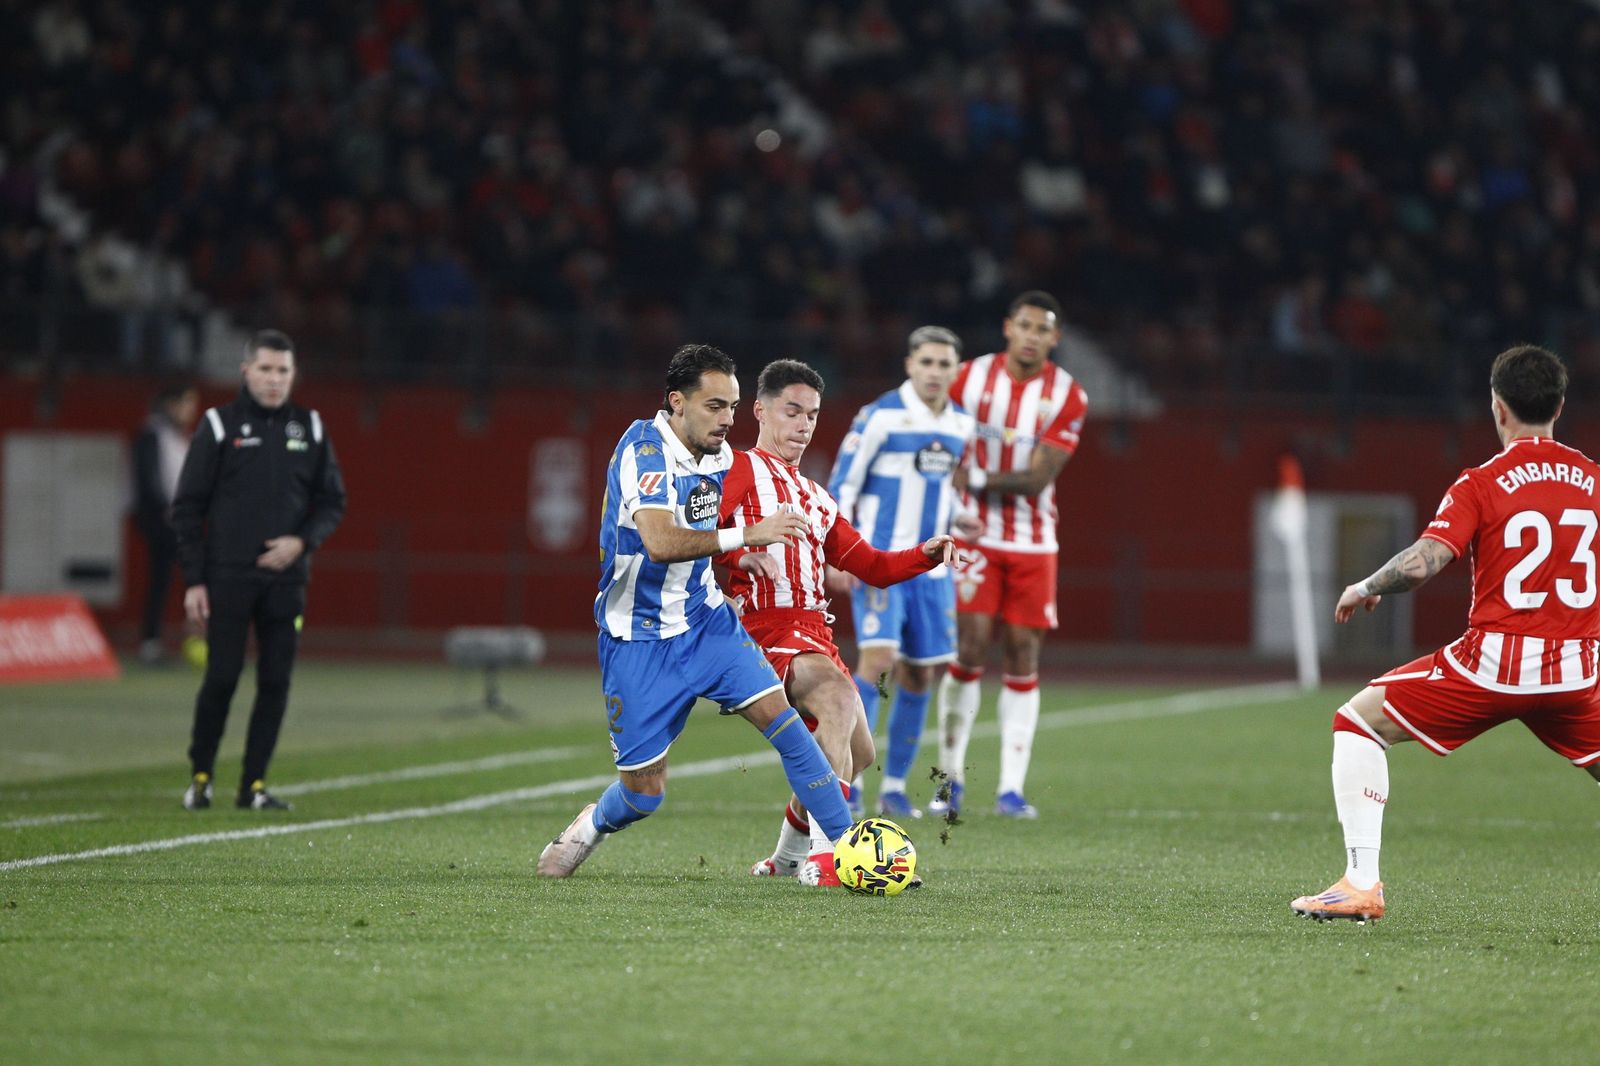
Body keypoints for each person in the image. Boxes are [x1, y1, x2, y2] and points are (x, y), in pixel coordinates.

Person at [1292, 344, 1600, 922]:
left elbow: (1427, 559)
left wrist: (1366, 586)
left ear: (1498, 408)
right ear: (1558, 406)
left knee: (1357, 721)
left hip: (1493, 667)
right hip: (1577, 673)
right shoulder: (1594, 481)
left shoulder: (1482, 482)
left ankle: (1361, 882)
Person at [536, 345, 858, 880]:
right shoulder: (644, 452)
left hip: (707, 623)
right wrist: (746, 535)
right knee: (644, 795)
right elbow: (661, 541)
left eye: (732, 406)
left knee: (793, 732)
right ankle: (591, 824)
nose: (727, 419)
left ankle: (843, 855)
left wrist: (740, 558)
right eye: (714, 406)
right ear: (676, 403)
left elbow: (710, 538)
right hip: (636, 640)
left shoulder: (723, 457)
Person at [716, 359, 960, 884]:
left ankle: (784, 858)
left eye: (813, 415)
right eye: (792, 411)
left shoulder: (817, 497)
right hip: (767, 628)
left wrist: (926, 553)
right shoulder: (736, 469)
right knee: (838, 698)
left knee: (859, 752)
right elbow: (699, 537)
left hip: (814, 633)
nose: (803, 425)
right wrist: (737, 557)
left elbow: (871, 565)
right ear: (759, 411)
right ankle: (829, 858)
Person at [171, 330, 347, 811]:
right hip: (227, 575)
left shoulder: (309, 426)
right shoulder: (219, 424)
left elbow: (333, 501)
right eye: (266, 369)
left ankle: (253, 785)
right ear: (246, 371)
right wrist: (194, 580)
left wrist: (301, 542)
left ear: (294, 375)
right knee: (222, 677)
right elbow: (186, 507)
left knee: (275, 682)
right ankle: (201, 777)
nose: (274, 380)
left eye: (283, 371)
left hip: (287, 581)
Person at [936, 290, 1088, 818]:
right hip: (973, 533)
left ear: (1054, 338)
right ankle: (948, 780)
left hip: (1032, 539)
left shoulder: (1068, 395)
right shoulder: (967, 378)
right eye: (1024, 325)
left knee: (1023, 653)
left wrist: (971, 476)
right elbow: (936, 435)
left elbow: (1038, 477)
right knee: (970, 646)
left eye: (1042, 329)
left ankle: (1010, 790)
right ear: (1007, 328)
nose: (1031, 336)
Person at [828, 326, 976, 819]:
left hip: (933, 572)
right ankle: (849, 782)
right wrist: (837, 552)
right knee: (878, 660)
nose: (935, 372)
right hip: (881, 562)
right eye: (927, 362)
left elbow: (947, 489)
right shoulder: (879, 417)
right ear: (910, 365)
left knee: (919, 675)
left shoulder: (960, 424)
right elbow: (842, 485)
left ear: (956, 370)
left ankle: (893, 786)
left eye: (944, 364)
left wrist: (960, 518)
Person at [132, 381, 199, 663]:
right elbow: (150, 480)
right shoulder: (152, 434)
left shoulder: (180, 437)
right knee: (163, 579)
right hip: (161, 520)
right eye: (187, 404)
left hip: (181, 520)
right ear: (172, 404)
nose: (191, 411)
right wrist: (164, 510)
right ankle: (151, 642)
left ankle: (192, 637)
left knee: (191, 579)